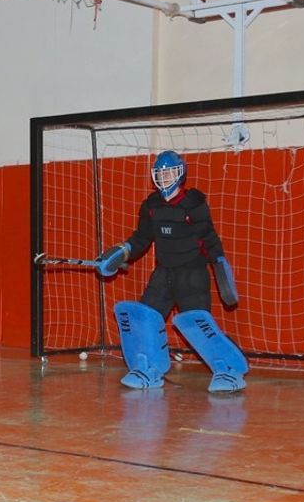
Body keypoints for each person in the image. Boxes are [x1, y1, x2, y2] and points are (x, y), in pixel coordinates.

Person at [95, 150, 248, 393]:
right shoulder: (151, 206)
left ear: (180, 173)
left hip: (192, 274)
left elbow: (210, 239)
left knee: (197, 324)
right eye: (160, 173)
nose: (165, 177)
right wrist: (121, 252)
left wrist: (221, 268)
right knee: (145, 318)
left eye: (169, 172)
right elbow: (142, 238)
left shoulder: (194, 203)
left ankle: (229, 371)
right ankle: (149, 370)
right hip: (163, 273)